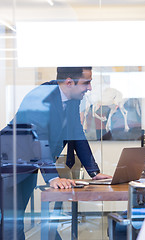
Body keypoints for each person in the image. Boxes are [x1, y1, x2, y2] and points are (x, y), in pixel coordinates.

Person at [1, 67, 111, 239]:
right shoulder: (40, 97)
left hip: (28, 164)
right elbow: (38, 137)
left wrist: (94, 172)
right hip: (8, 164)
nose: (90, 88)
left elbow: (76, 133)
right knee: (11, 223)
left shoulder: (72, 99)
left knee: (17, 222)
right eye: (87, 82)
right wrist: (52, 177)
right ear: (69, 82)